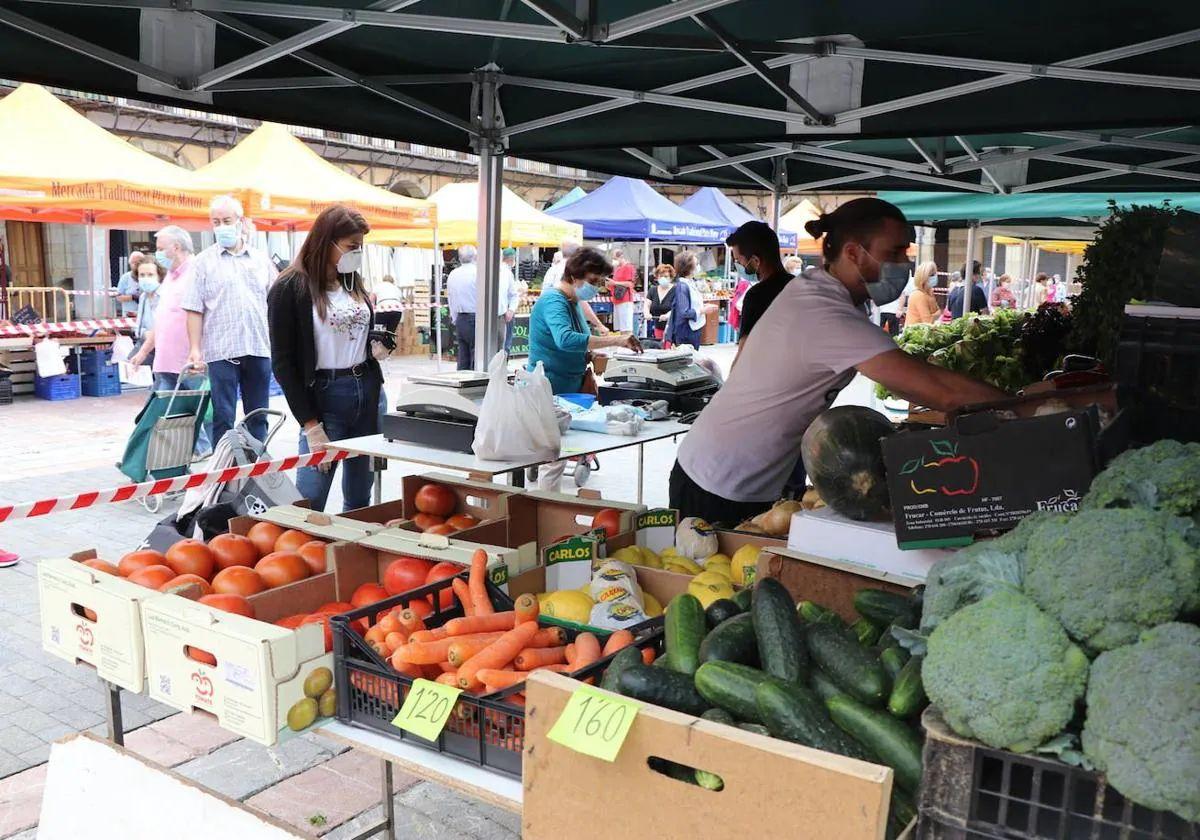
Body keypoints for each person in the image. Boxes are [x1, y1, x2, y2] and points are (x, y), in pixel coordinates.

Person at [670, 197, 1008, 525]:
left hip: (743, 476)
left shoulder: (823, 294)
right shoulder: (824, 314)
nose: (904, 263)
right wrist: (1023, 409)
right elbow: (938, 390)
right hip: (718, 482)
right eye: (893, 253)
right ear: (852, 253)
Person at [268, 205, 384, 513]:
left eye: (360, 247)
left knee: (361, 495)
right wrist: (309, 424)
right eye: (351, 247)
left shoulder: (351, 280)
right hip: (325, 398)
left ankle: (351, 554)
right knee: (310, 498)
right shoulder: (289, 287)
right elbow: (282, 363)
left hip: (368, 392)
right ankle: (302, 555)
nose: (357, 253)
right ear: (326, 242)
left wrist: (377, 341)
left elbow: (352, 330)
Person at [527, 247, 642, 490]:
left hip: (570, 388)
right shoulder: (553, 300)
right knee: (553, 458)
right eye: (592, 281)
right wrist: (616, 340)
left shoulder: (574, 301)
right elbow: (566, 339)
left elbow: (575, 341)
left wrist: (590, 353)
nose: (596, 287)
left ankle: (549, 507)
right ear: (574, 275)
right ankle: (546, 510)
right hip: (550, 387)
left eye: (600, 282)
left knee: (560, 452)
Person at [183, 195, 277, 444]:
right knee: (223, 415)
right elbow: (193, 308)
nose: (221, 227)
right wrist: (194, 348)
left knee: (259, 414)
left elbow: (275, 302)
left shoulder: (260, 260)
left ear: (241, 222)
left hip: (258, 347)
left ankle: (258, 466)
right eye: (216, 222)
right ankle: (223, 472)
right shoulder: (203, 262)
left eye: (227, 220)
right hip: (221, 350)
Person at [728, 221, 790, 353]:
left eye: (739, 261)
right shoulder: (799, 286)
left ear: (755, 261)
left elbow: (744, 353)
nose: (738, 265)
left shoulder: (756, 296)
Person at [446, 245, 479, 370]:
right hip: (475, 316)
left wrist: (455, 318)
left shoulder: (453, 274)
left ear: (459, 258)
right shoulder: (477, 273)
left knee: (463, 356)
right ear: (475, 257)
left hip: (461, 317)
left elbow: (451, 298)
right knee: (476, 357)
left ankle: (462, 383)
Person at [665, 251, 704, 351]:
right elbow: (684, 312)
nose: (698, 267)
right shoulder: (683, 286)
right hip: (686, 332)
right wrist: (702, 311)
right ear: (689, 267)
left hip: (693, 329)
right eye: (696, 264)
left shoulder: (689, 283)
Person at [130, 258, 164, 366]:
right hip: (147, 345)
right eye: (142, 275)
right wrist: (145, 333)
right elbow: (138, 327)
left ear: (159, 276)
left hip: (164, 349)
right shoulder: (143, 297)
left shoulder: (166, 295)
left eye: (150, 275)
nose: (146, 279)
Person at [905, 261, 942, 325]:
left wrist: (934, 315)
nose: (935, 277)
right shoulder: (919, 295)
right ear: (924, 278)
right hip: (916, 333)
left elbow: (938, 312)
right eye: (932, 275)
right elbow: (928, 321)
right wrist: (936, 315)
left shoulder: (929, 293)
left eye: (935, 274)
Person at [608, 249, 636, 333]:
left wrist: (615, 282)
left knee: (626, 328)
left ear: (621, 257)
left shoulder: (628, 267)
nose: (614, 261)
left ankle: (628, 345)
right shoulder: (617, 269)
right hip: (616, 300)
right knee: (620, 329)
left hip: (625, 300)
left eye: (615, 258)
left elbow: (630, 284)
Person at [647, 263, 676, 341]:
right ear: (657, 277)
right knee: (659, 348)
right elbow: (647, 305)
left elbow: (677, 307)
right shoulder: (653, 290)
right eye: (661, 276)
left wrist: (668, 315)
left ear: (671, 278)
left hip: (672, 328)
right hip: (658, 327)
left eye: (666, 276)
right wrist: (647, 313)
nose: (663, 278)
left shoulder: (676, 290)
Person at [115, 251, 145, 317]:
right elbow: (118, 297)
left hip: (145, 315)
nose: (135, 265)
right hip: (129, 315)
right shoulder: (125, 277)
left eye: (138, 262)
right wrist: (133, 297)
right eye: (133, 263)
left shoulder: (148, 276)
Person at [373, 274, 403, 339]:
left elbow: (370, 299)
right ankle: (389, 347)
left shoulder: (378, 286)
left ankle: (378, 346)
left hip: (383, 308)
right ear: (392, 281)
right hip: (397, 310)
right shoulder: (397, 288)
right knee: (391, 332)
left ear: (383, 280)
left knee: (378, 331)